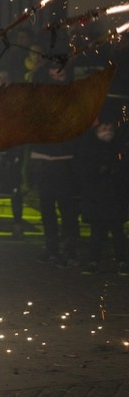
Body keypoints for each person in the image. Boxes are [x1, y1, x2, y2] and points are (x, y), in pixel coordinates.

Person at [27, 62, 81, 266]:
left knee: (66, 207)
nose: (57, 76)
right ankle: (52, 247)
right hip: (44, 158)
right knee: (48, 207)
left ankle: (69, 249)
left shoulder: (69, 96)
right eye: (53, 73)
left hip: (63, 158)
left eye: (60, 73)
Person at [76, 113, 129, 276]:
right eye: (104, 128)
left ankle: (121, 261)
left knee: (117, 232)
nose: (108, 131)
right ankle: (94, 260)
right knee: (98, 232)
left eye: (110, 128)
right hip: (98, 196)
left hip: (113, 196)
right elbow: (83, 170)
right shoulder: (90, 147)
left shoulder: (117, 147)